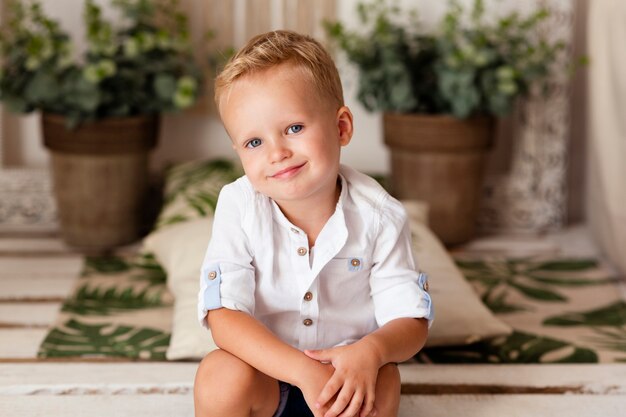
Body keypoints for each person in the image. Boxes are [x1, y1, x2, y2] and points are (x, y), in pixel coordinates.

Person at [194, 30, 433, 417]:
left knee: (386, 376)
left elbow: (411, 320)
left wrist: (371, 352)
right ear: (238, 151)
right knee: (219, 373)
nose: (278, 153)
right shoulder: (238, 205)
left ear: (341, 128)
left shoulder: (380, 216)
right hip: (266, 379)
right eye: (254, 143)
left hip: (345, 385)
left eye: (294, 128)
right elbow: (224, 318)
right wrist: (303, 372)